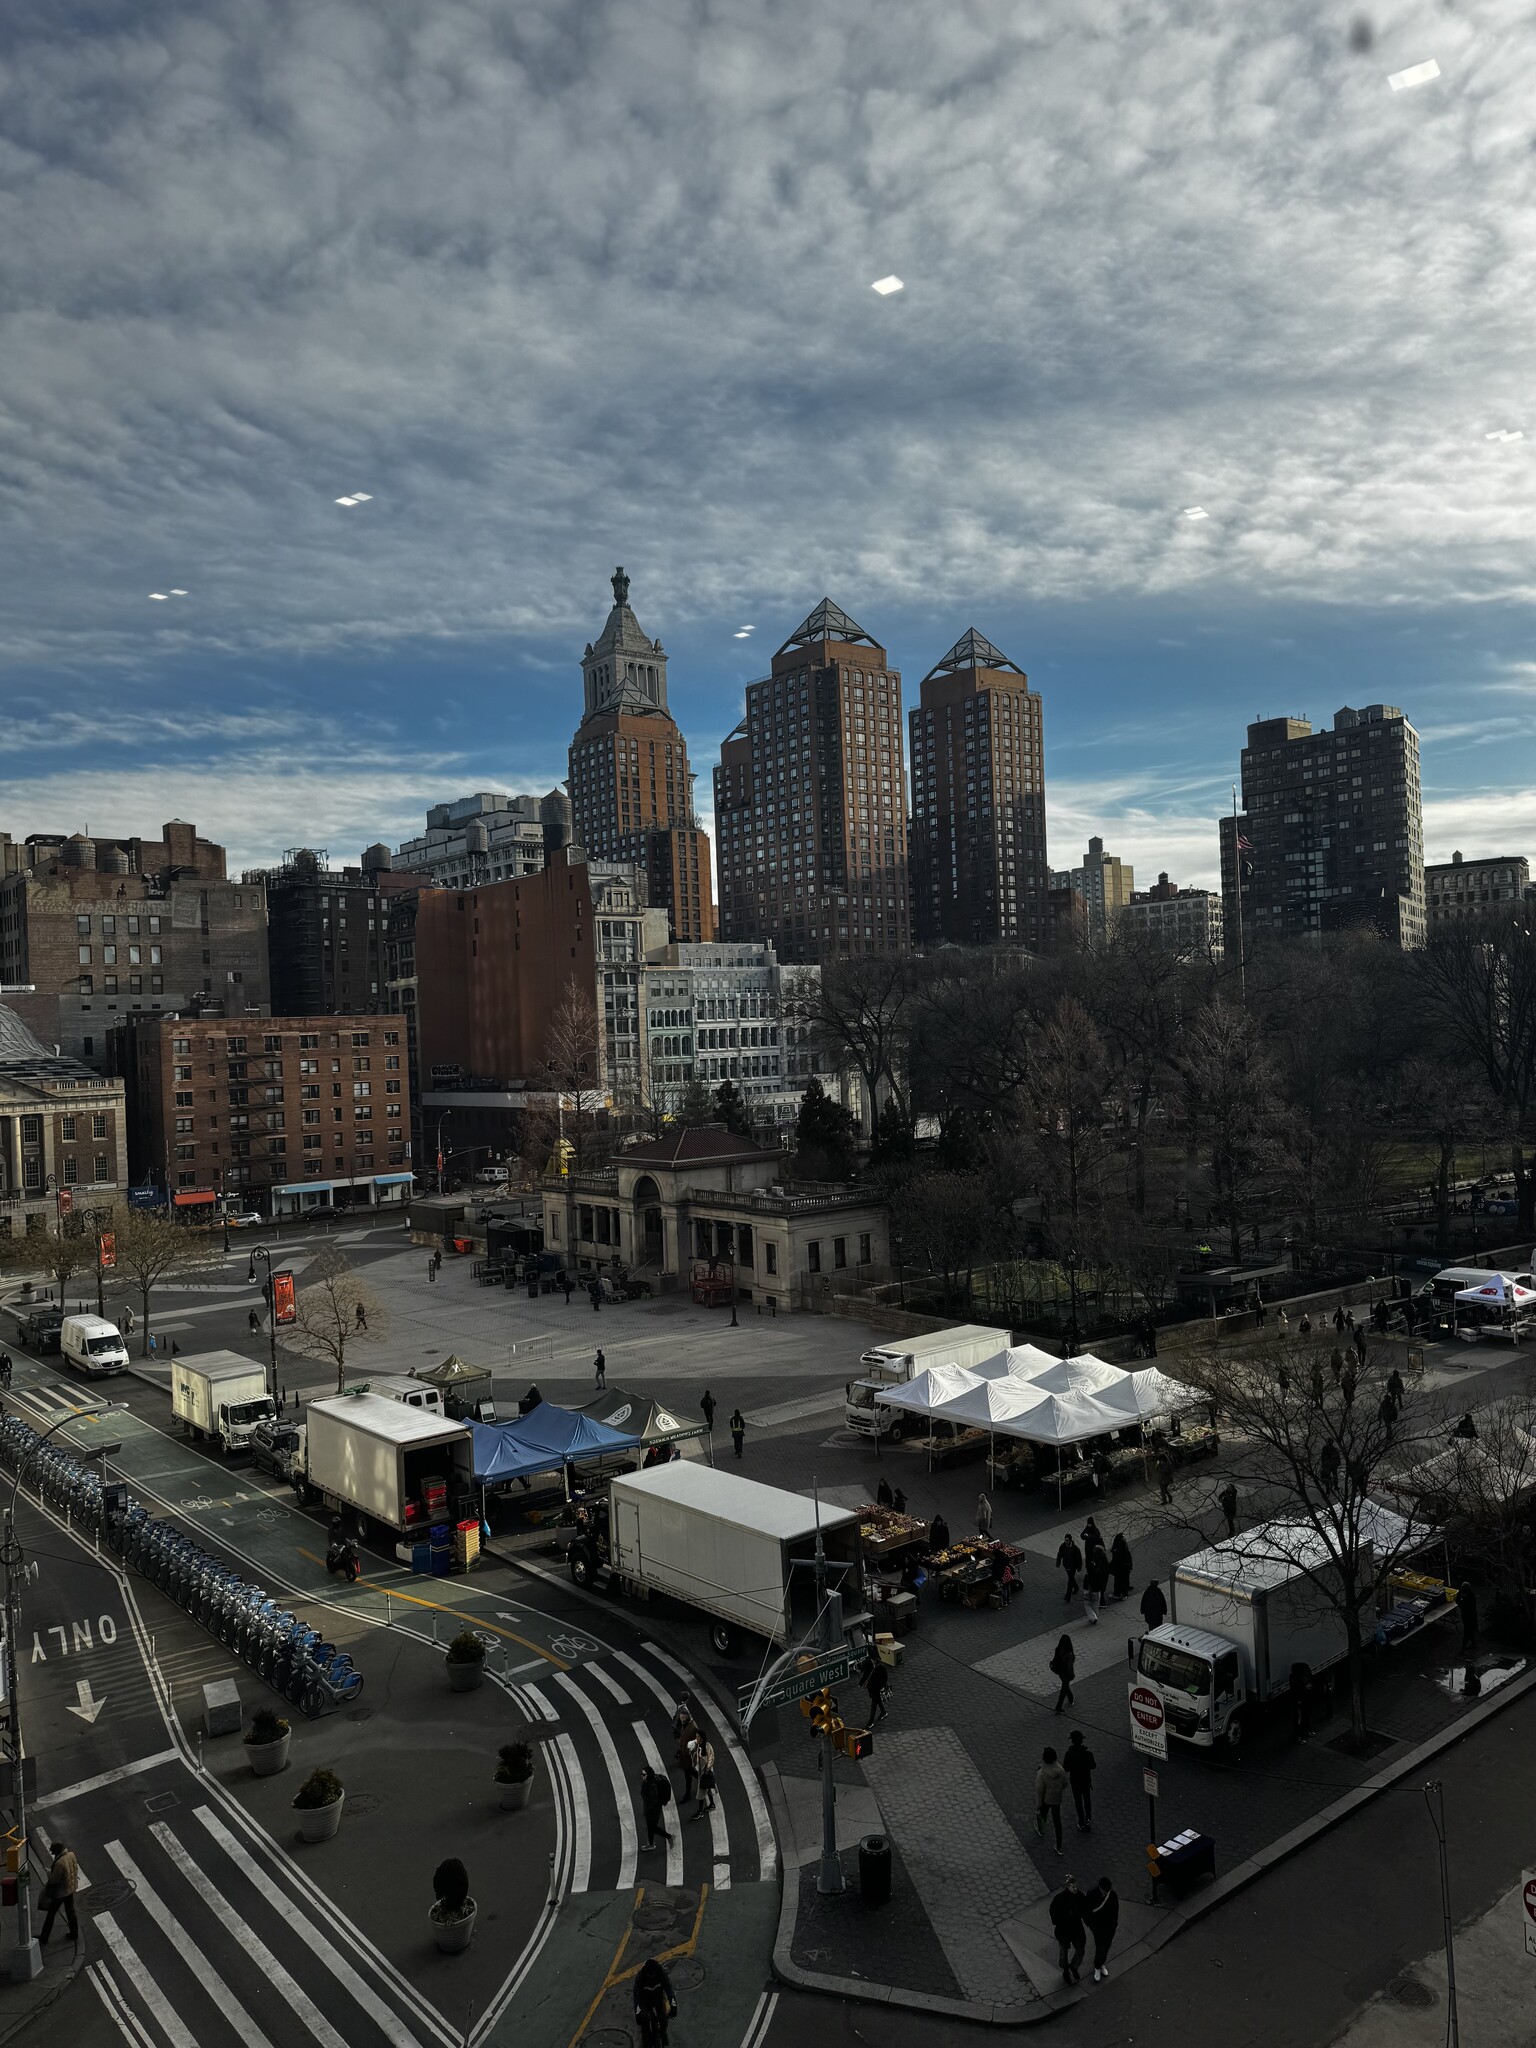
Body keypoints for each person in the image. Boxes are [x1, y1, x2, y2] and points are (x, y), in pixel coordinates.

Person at [38, 1842, 79, 1944]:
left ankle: (44, 1937)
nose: (52, 1854)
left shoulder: (59, 1863)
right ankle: (74, 1933)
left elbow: (54, 1880)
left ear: (57, 1851)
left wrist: (48, 1873)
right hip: (70, 1888)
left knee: (51, 1914)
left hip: (61, 1892)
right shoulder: (71, 1855)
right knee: (70, 1911)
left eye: (53, 1852)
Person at [1048, 1875, 1086, 1983]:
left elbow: (1085, 1908)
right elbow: (1053, 1912)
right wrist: (1059, 1922)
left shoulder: (1079, 1895)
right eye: (1073, 1887)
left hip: (1076, 1929)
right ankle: (1066, 1970)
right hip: (1064, 1930)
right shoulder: (1059, 1898)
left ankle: (1073, 1966)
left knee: (1080, 1950)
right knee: (1063, 1953)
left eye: (1076, 1887)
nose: (1075, 1889)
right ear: (1068, 1887)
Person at [633, 1956, 677, 2048]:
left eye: (653, 1975)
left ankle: (663, 2032)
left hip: (658, 1998)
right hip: (644, 2000)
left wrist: (673, 2005)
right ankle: (646, 2042)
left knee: (663, 2019)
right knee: (644, 2020)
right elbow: (636, 1995)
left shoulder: (661, 1974)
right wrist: (637, 2012)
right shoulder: (640, 1977)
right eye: (649, 1975)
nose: (651, 1977)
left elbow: (668, 1989)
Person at [1085, 1875, 1120, 1982]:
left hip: (1109, 1927)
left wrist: (1114, 1924)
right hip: (1098, 1928)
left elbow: (1115, 1911)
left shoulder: (1112, 1895)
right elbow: (1086, 1912)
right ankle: (1097, 1967)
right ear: (1099, 1887)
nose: (1105, 1893)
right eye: (1103, 1891)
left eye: (1106, 1891)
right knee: (1100, 1947)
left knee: (1107, 1946)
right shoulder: (1091, 1894)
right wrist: (1092, 1926)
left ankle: (1101, 1964)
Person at [1035, 1746, 1068, 1851]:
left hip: (1046, 1799)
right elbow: (1065, 1784)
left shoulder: (1042, 1773)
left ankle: (1041, 1830)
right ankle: (1059, 1845)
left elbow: (1040, 1791)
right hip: (1057, 1798)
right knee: (1057, 1821)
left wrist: (1038, 1804)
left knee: (1043, 1814)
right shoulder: (1060, 1770)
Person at [1063, 1730, 1096, 1831]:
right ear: (1081, 1741)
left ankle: (1081, 1819)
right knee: (1087, 1799)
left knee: (1078, 1800)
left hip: (1075, 1780)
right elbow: (1093, 1766)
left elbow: (1066, 1768)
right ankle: (1088, 1818)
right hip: (1086, 1780)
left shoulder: (1069, 1754)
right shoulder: (1088, 1753)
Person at [639, 1766, 673, 1849]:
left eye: (643, 1774)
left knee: (652, 1827)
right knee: (651, 1827)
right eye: (641, 1774)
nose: (642, 1776)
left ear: (648, 1775)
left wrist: (648, 1811)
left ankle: (666, 1837)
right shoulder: (648, 1781)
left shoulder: (652, 1785)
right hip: (652, 1809)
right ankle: (651, 1843)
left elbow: (653, 1800)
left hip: (653, 1811)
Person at [1049, 1634, 1076, 1715]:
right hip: (1066, 1674)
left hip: (1059, 1672)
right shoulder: (1069, 1654)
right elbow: (1069, 1667)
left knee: (1065, 1686)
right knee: (1063, 1690)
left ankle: (1071, 1699)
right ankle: (1058, 1706)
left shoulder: (1058, 1649)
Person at [675, 1715, 699, 1802]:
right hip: (685, 1755)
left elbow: (698, 1740)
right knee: (688, 1773)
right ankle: (703, 1780)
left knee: (688, 1774)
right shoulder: (685, 1725)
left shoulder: (692, 1727)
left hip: (689, 1756)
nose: (682, 1719)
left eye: (683, 1717)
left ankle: (688, 1794)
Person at [1083, 1541, 1109, 1623]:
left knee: (1087, 1604)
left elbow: (1086, 1581)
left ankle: (1092, 1617)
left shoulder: (1089, 1573)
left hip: (1090, 1589)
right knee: (1095, 1603)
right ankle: (1095, 1616)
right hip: (1097, 1590)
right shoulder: (1103, 1561)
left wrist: (1085, 1590)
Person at [692, 1734, 717, 1816]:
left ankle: (699, 1811)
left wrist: (707, 1770)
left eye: (698, 1737)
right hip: (702, 1772)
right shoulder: (699, 1746)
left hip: (704, 1774)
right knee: (707, 1789)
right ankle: (712, 1804)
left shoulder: (706, 1747)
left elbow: (711, 1758)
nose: (696, 1738)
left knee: (701, 1793)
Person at [1289, 1660, 1313, 1742]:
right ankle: (1299, 1736)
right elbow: (1296, 1692)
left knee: (1306, 1716)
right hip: (1300, 1701)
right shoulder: (1296, 1680)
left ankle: (1306, 1731)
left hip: (1304, 1700)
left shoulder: (1298, 1678)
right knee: (1300, 1719)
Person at [1055, 1532, 1082, 1602]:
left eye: (1067, 1540)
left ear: (1070, 1540)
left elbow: (1079, 1558)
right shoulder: (1062, 1546)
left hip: (1073, 1566)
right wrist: (1058, 1562)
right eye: (1065, 1540)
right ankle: (1076, 1587)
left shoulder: (1075, 1548)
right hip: (1066, 1565)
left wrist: (1079, 1567)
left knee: (1070, 1580)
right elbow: (1059, 1555)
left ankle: (1068, 1595)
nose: (1066, 1542)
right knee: (1071, 1578)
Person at [865, 1653, 891, 1723]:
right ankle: (883, 1712)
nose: (871, 1661)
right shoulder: (873, 1666)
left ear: (875, 1660)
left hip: (876, 1689)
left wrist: (880, 1687)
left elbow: (884, 1678)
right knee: (878, 1701)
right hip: (874, 1689)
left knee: (873, 1705)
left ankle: (871, 1721)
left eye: (872, 1660)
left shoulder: (880, 1667)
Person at [1109, 1532, 1133, 1601]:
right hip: (1124, 1568)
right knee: (1124, 1581)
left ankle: (1118, 1594)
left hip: (1120, 1569)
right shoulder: (1125, 1551)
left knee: (1119, 1581)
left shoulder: (1118, 1551)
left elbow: (1116, 1559)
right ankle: (1123, 1594)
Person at [1458, 1581, 1478, 1656]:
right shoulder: (1470, 1595)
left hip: (1468, 1616)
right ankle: (1473, 1643)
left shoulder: (1468, 1597)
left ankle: (1464, 1646)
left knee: (1467, 1631)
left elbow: (1461, 1604)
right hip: (1469, 1616)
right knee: (1469, 1630)